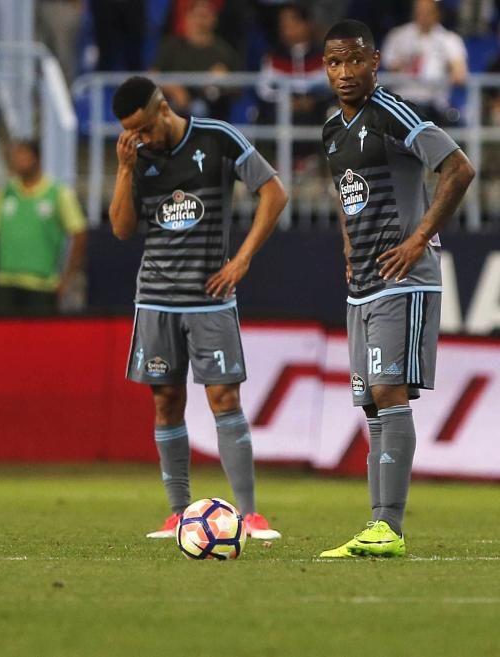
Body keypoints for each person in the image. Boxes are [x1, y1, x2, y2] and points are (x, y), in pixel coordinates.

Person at [318, 20, 475, 558]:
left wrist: (419, 240)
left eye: (354, 61)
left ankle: (390, 527)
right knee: (371, 404)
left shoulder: (391, 111)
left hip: (402, 280)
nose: (345, 72)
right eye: (334, 63)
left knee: (389, 393)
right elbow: (347, 195)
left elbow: (458, 167)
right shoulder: (331, 130)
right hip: (361, 284)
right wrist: (346, 246)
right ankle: (377, 526)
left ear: (375, 61)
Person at [109, 76, 287, 540]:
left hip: (210, 298)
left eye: (145, 128)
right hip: (156, 299)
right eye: (133, 132)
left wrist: (243, 258)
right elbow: (123, 229)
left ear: (163, 108)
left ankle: (249, 515)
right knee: (166, 401)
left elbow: (273, 191)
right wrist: (125, 169)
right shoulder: (137, 155)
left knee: (224, 399)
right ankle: (179, 512)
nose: (142, 138)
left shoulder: (217, 137)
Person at [0, 141, 88, 311]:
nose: (18, 161)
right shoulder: (3, 193)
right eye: (16, 156)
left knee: (40, 337)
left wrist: (68, 279)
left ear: (37, 158)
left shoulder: (58, 193)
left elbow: (79, 234)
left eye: (24, 156)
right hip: (5, 281)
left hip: (42, 285)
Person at [149, 0, 242, 119]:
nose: (199, 22)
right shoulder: (170, 46)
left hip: (212, 115)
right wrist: (173, 89)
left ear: (214, 19)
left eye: (204, 16)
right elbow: (152, 78)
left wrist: (225, 81)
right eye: (195, 16)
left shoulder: (225, 51)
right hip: (174, 115)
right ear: (187, 19)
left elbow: (239, 88)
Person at [381, 0, 468, 125]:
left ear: (437, 13)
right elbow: (387, 67)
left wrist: (451, 71)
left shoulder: (449, 39)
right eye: (420, 11)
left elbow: (460, 73)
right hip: (401, 101)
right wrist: (406, 62)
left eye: (428, 11)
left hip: (433, 104)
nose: (423, 14)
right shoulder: (398, 35)